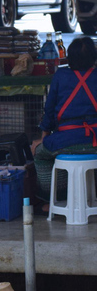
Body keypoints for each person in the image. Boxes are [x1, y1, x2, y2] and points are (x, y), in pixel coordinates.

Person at [32, 36, 97, 208]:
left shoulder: (60, 76)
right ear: (93, 58)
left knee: (40, 155)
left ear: (69, 58)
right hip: (94, 140)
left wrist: (43, 137)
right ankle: (93, 194)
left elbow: (49, 110)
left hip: (64, 141)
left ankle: (53, 200)